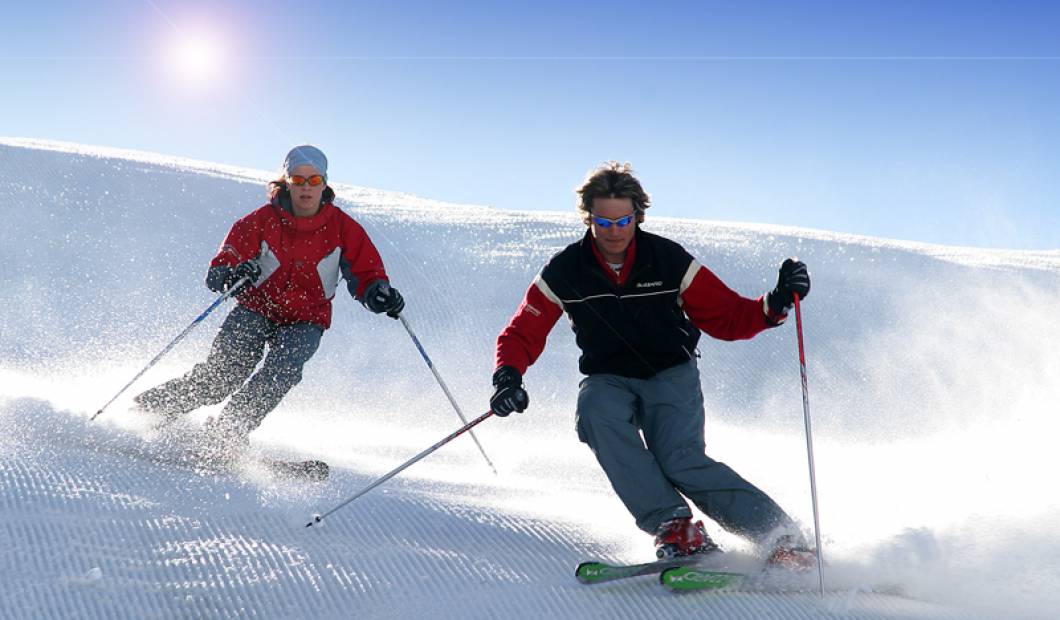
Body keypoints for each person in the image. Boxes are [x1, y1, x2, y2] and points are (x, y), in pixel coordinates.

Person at [489, 161, 815, 568]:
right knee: (594, 412)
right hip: (608, 377)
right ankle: (675, 527)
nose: (613, 231)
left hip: (669, 373)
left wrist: (777, 302)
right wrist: (508, 376)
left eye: (623, 220)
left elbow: (728, 317)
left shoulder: (668, 260)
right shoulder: (565, 270)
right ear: (588, 217)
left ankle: (781, 538)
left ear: (637, 215)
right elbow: (523, 331)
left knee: (680, 460)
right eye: (602, 221)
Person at [134, 145, 405, 460]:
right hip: (256, 308)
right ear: (286, 181)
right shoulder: (261, 220)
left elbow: (366, 272)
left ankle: (228, 431)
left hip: (307, 318)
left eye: (314, 180)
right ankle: (148, 412)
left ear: (325, 183)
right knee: (224, 375)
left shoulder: (345, 229)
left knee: (282, 371)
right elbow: (224, 263)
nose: (306, 187)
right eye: (298, 179)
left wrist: (378, 292)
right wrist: (232, 272)